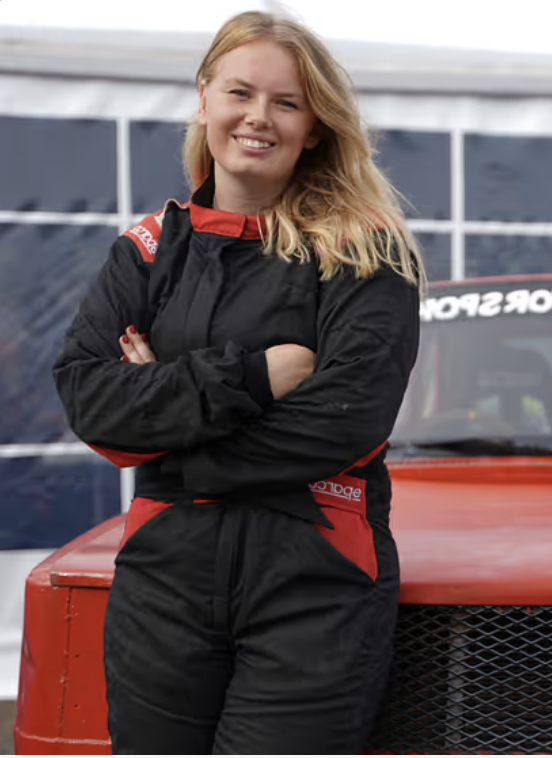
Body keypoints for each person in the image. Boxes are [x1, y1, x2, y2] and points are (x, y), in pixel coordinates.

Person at [53, 10, 423, 754]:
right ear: (205, 99)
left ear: (313, 127)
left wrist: (168, 439)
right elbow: (91, 401)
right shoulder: (147, 250)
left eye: (287, 103)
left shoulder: (364, 249)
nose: (259, 117)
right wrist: (255, 376)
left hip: (315, 578)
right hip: (163, 580)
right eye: (240, 93)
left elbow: (346, 421)